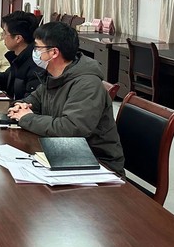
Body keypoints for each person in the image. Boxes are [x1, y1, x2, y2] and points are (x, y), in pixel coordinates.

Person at [7, 22, 125, 175]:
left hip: (96, 162)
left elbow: (71, 129)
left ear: (54, 52)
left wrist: (27, 118)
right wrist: (20, 106)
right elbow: (33, 100)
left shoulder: (87, 84)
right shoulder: (54, 76)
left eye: (37, 48)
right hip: (63, 152)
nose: (34, 52)